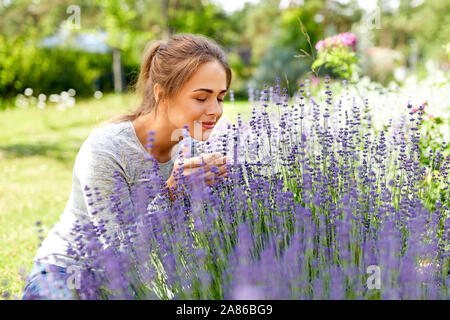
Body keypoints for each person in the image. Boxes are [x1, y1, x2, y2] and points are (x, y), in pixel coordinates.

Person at [22, 33, 232, 300]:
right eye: (202, 98)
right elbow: (119, 254)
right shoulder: (107, 149)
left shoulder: (193, 149)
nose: (215, 110)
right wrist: (172, 192)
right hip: (68, 272)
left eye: (221, 98)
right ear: (161, 93)